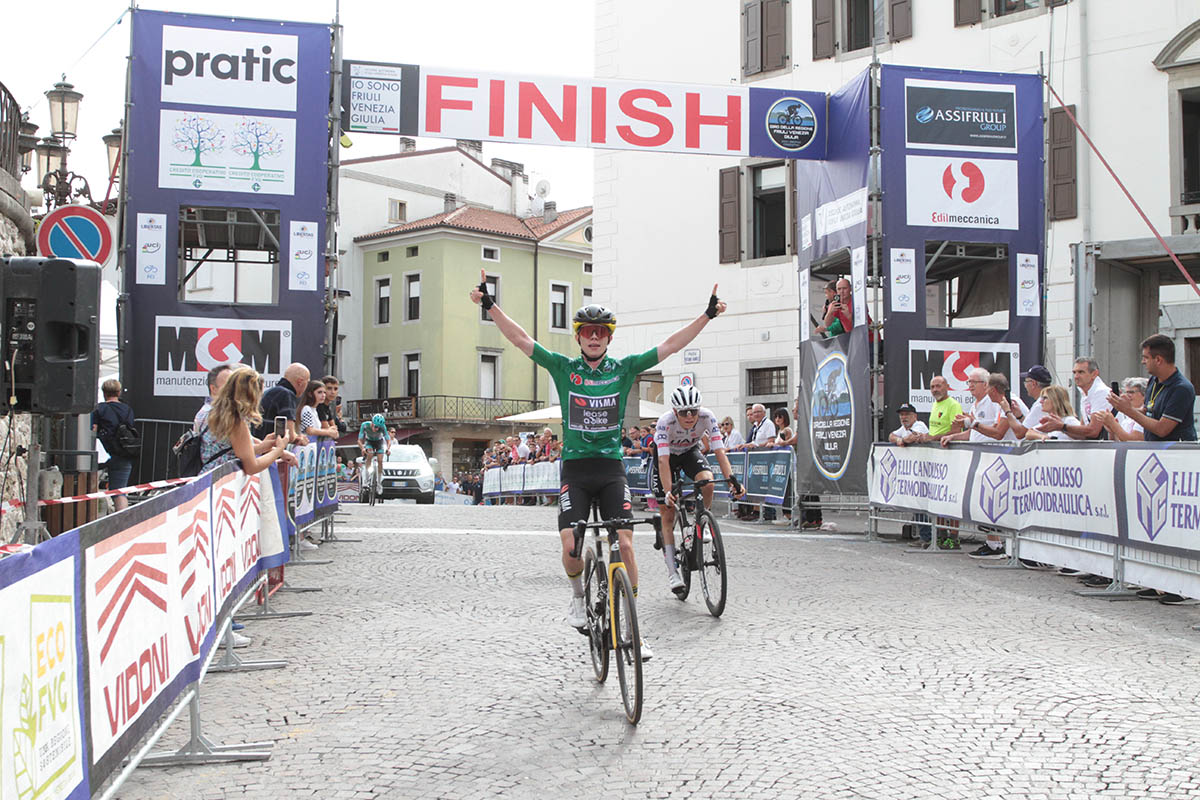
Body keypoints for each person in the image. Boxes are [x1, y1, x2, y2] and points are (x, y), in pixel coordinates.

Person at [469, 270, 728, 660]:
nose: (594, 337)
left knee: (625, 543)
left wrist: (706, 316)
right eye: (588, 331)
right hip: (575, 469)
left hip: (610, 469)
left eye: (601, 332)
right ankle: (578, 598)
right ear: (578, 337)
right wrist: (491, 306)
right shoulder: (562, 367)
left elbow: (671, 345)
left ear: (609, 337)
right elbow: (521, 339)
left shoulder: (622, 369)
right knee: (572, 545)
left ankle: (632, 628)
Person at [649, 386, 745, 592]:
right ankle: (673, 573)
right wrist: (669, 492)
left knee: (707, 481)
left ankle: (703, 521)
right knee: (668, 512)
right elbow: (663, 462)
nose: (690, 416)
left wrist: (732, 481)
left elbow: (720, 451)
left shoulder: (707, 417)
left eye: (694, 410)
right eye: (684, 412)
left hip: (689, 452)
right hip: (665, 457)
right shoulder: (665, 422)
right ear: (675, 411)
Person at [941, 369, 1013, 559]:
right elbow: (973, 432)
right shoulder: (975, 404)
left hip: (994, 457)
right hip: (979, 457)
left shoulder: (994, 403)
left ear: (986, 384)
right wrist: (953, 436)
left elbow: (997, 431)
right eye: (968, 382)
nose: (970, 385)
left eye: (973, 382)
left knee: (991, 499)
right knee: (981, 502)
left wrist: (973, 424)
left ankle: (997, 544)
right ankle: (992, 542)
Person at [1108, 334, 1197, 442]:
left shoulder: (1181, 388)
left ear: (1158, 360)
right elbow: (1147, 411)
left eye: (1146, 358)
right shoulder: (1153, 381)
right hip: (1153, 451)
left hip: (1175, 454)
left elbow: (1162, 429)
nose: (1143, 362)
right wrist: (1122, 406)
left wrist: (1129, 410)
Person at [889, 403, 932, 545]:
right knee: (917, 504)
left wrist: (903, 439)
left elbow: (911, 438)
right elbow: (892, 435)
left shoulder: (919, 425)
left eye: (907, 414)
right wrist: (899, 439)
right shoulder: (905, 428)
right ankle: (925, 537)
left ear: (915, 416)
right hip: (916, 473)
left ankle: (928, 537)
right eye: (901, 414)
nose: (903, 417)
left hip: (926, 471)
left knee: (923, 505)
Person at [92, 378, 137, 512]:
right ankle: (122, 522)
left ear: (104, 392)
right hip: (123, 452)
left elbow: (93, 429)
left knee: (90, 487)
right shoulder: (127, 409)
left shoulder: (99, 409)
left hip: (102, 453)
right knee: (119, 491)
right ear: (119, 392)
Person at [1038, 357, 1110, 440]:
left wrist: (1062, 426)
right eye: (1074, 372)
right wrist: (1061, 427)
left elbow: (1093, 432)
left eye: (1081, 372)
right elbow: (1083, 436)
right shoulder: (1085, 394)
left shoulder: (1100, 392)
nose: (1076, 376)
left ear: (1094, 374)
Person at [254, 362, 311, 443]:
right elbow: (289, 435)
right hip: (268, 450)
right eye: (307, 382)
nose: (307, 385)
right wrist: (300, 439)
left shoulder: (272, 391)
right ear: (300, 382)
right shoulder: (286, 394)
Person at [1002, 365, 1051, 439]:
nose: (1025, 385)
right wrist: (1020, 416)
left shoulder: (1041, 404)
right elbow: (1029, 427)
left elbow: (1020, 433)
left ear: (1033, 383)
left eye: (1026, 381)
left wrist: (1007, 411)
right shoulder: (1046, 401)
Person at [195, 364, 234, 432]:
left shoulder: (206, 411)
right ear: (213, 388)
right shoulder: (218, 415)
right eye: (228, 384)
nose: (234, 388)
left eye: (234, 383)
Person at [358, 414, 392, 487]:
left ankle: (379, 482)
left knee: (380, 460)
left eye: (379, 428)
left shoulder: (383, 427)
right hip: (369, 441)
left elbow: (388, 440)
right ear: (372, 423)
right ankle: (366, 480)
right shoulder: (365, 425)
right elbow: (359, 441)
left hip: (379, 442)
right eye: (376, 427)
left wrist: (388, 449)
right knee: (370, 454)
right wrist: (363, 448)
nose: (377, 429)